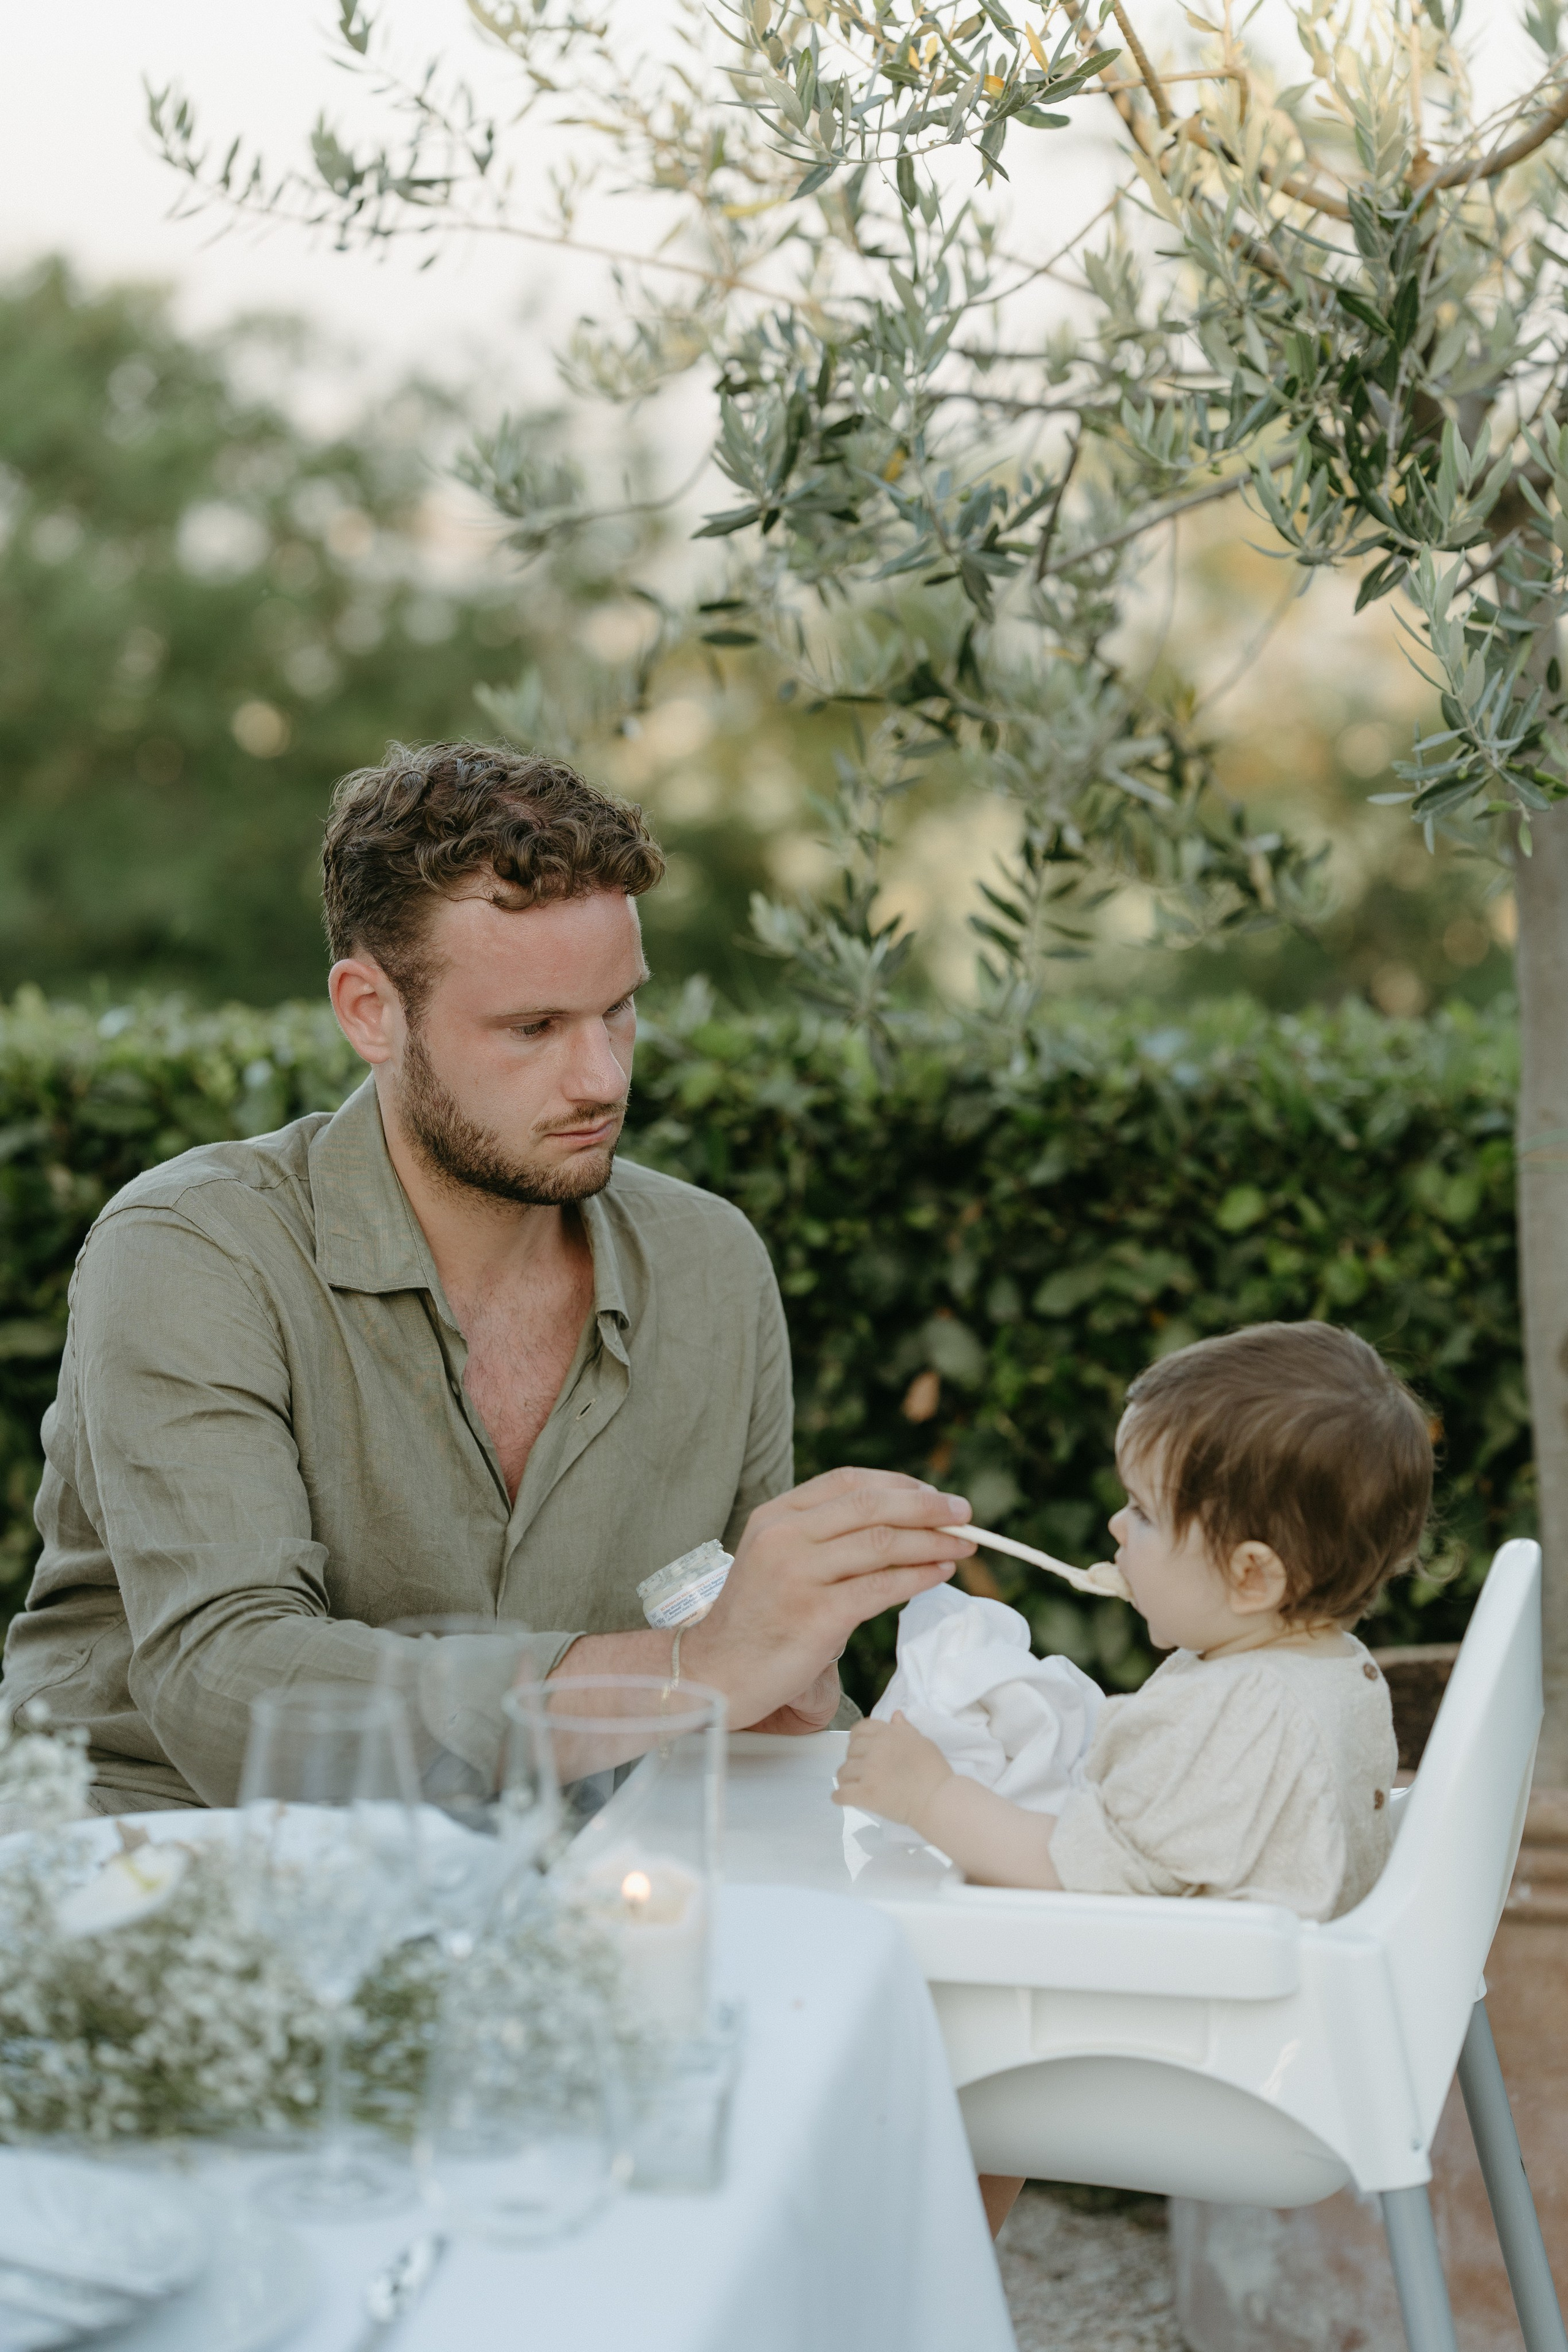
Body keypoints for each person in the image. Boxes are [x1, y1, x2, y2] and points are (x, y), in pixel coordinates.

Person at [0, 741, 974, 1811]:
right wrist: (682, 1675)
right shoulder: (193, 1249)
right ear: (370, 1011)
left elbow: (730, 1678)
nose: (602, 1077)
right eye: (534, 1028)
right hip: (174, 1881)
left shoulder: (711, 1264)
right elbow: (233, 1689)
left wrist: (784, 1675)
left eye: (619, 1010)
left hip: (560, 1884)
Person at [832, 1321, 1432, 2238]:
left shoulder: (1244, 1707)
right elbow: (1180, 1798)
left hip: (1213, 2061)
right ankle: (946, 2294)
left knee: (910, 2026)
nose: (1116, 1527)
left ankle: (912, 2289)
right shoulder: (1317, 1665)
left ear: (1252, 1574)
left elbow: (1081, 1872)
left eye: (1145, 1513)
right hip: (1264, 2021)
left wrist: (930, 1797)